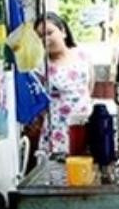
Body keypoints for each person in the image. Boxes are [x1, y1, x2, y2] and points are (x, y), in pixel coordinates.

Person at [34, 12, 92, 155]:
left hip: (84, 126)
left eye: (49, 33)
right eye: (40, 36)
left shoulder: (82, 56)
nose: (45, 39)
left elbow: (89, 88)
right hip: (57, 132)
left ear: (63, 31)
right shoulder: (41, 67)